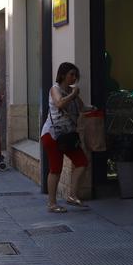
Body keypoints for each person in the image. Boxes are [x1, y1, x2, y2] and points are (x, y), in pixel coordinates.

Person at [41, 62, 89, 213]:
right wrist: (73, 95)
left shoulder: (71, 91)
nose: (74, 78)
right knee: (55, 169)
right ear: (62, 75)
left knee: (82, 162)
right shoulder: (55, 89)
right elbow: (59, 103)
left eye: (76, 75)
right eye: (71, 75)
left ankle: (72, 196)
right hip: (53, 135)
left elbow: (82, 108)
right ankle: (52, 203)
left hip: (68, 136)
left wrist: (92, 108)